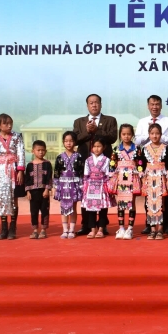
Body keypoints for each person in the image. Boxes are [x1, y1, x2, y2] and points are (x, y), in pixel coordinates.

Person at [73, 94, 117, 236]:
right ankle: (86, 225)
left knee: (104, 194)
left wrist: (97, 129)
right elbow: (75, 140)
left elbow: (112, 137)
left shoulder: (110, 120)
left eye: (96, 102)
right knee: (86, 194)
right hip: (86, 164)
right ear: (87, 105)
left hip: (103, 165)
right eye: (91, 103)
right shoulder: (79, 122)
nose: (94, 105)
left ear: (101, 104)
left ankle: (102, 225)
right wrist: (87, 131)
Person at [0, 113, 25, 240]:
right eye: (6, 123)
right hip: (0, 171)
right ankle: (3, 227)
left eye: (10, 123)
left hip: (14, 170)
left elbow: (21, 153)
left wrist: (20, 170)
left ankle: (13, 227)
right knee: (1, 198)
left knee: (14, 198)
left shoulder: (17, 136)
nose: (9, 126)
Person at [142, 123, 168, 240]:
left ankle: (160, 229)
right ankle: (152, 229)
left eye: (157, 133)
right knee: (150, 204)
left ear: (161, 134)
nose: (155, 136)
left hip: (161, 180)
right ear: (149, 135)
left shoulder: (165, 148)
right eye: (152, 133)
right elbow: (142, 166)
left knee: (161, 204)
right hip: (149, 180)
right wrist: (142, 180)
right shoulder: (145, 148)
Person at [112, 124, 142, 241]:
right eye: (123, 134)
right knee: (121, 202)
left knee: (131, 202)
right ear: (120, 135)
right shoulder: (116, 149)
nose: (126, 136)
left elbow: (140, 162)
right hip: (120, 178)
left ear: (132, 135)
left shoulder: (137, 149)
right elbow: (112, 163)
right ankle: (121, 228)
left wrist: (140, 173)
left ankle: (130, 228)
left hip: (133, 177)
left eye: (129, 134)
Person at [53, 131, 84, 239]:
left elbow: (81, 172)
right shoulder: (59, 157)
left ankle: (72, 229)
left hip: (74, 184)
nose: (68, 143)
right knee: (63, 207)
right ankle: (65, 230)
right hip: (63, 184)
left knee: (73, 207)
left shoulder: (79, 156)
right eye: (66, 141)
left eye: (71, 141)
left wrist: (81, 185)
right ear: (63, 142)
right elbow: (56, 172)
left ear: (75, 142)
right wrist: (55, 186)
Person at [83, 138, 112, 239]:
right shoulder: (88, 160)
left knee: (103, 209)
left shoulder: (107, 160)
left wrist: (108, 187)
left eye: (99, 146)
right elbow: (86, 175)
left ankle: (101, 229)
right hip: (90, 186)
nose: (96, 149)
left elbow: (108, 175)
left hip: (102, 186)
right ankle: (92, 230)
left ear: (104, 147)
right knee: (91, 209)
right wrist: (85, 187)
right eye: (94, 146)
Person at [25, 140, 52, 239]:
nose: (41, 152)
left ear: (46, 151)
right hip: (33, 192)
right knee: (33, 211)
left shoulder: (47, 164)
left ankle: (43, 230)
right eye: (38, 150)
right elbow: (27, 179)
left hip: (43, 192)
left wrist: (47, 190)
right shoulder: (29, 165)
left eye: (43, 150)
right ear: (33, 151)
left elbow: (49, 178)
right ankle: (35, 230)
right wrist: (28, 191)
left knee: (45, 211)